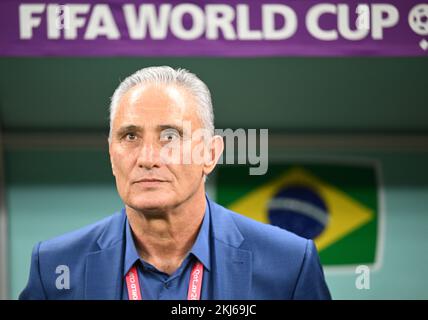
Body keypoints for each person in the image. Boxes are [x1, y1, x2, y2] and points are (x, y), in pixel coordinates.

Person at [19, 66, 331, 300]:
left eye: (170, 136)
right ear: (111, 154)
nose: (147, 158)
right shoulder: (54, 268)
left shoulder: (291, 266)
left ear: (210, 154)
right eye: (130, 136)